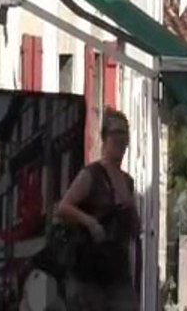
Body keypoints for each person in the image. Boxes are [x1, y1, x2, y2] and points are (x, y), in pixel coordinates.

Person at [57, 108, 140, 311]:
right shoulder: (92, 175)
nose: (121, 140)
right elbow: (64, 207)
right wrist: (90, 222)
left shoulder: (127, 181)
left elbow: (133, 226)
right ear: (105, 138)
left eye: (125, 134)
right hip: (89, 274)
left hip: (118, 272)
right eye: (116, 133)